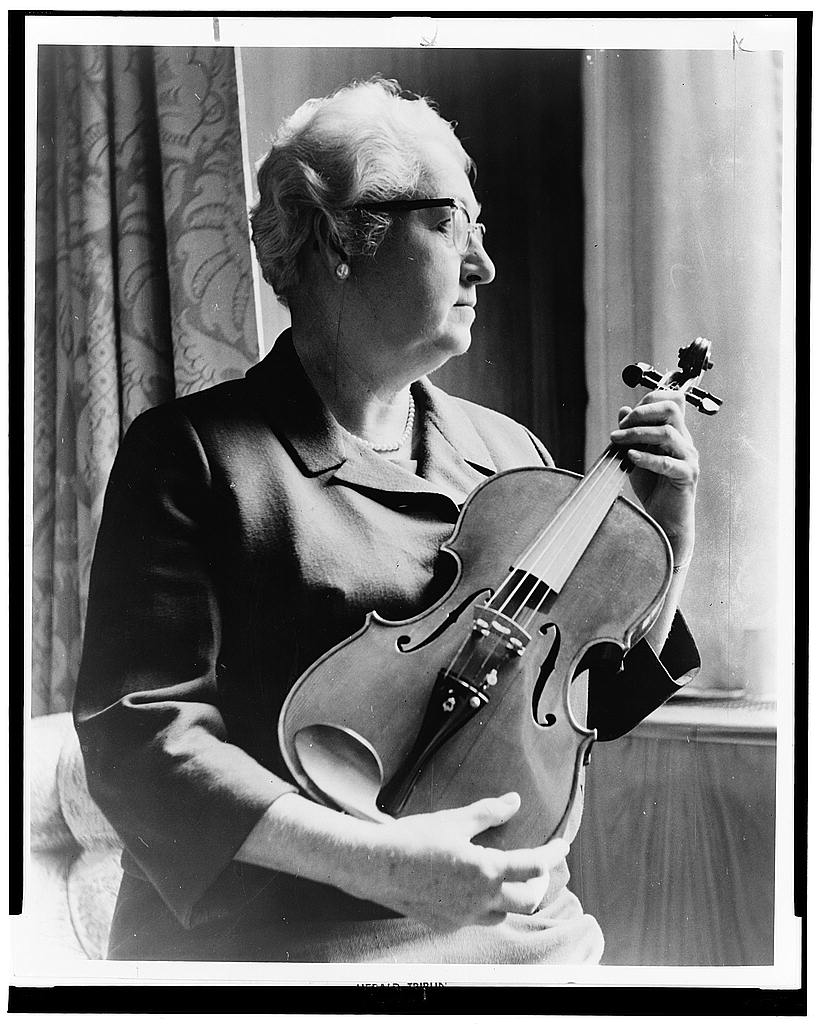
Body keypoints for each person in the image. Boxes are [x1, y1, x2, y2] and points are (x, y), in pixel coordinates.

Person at [73, 78, 700, 964]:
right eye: (450, 224)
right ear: (339, 238)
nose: (482, 264)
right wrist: (380, 864)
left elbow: (593, 704)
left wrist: (669, 535)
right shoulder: (191, 453)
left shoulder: (506, 450)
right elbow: (140, 735)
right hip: (299, 946)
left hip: (517, 929)